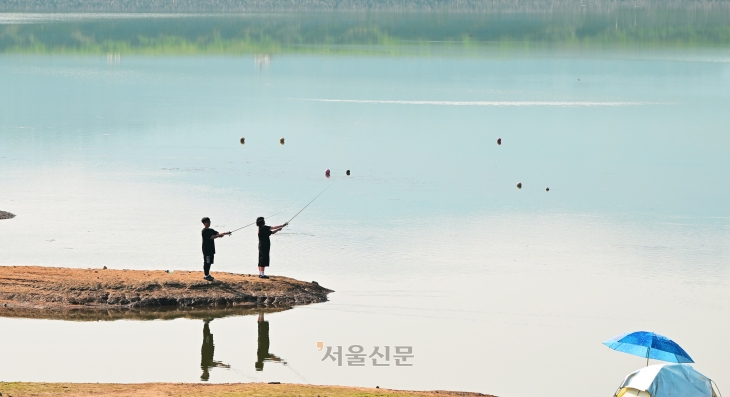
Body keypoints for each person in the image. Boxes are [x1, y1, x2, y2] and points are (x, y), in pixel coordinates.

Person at [201, 217, 230, 281]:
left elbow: (217, 233)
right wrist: (218, 236)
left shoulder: (211, 230)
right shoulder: (204, 231)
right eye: (207, 222)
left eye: (209, 222)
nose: (209, 223)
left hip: (211, 249)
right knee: (207, 262)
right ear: (204, 223)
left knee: (210, 262)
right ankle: (206, 275)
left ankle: (208, 274)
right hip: (206, 249)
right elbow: (211, 237)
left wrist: (226, 233)